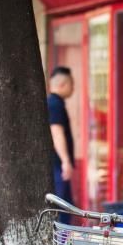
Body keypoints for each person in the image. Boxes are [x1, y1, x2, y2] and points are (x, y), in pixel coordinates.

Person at [48, 66, 76, 209]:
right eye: (72, 83)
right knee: (62, 209)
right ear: (62, 84)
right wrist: (65, 161)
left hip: (57, 165)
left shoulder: (54, 103)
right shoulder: (55, 104)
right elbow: (56, 133)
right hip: (57, 165)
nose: (73, 87)